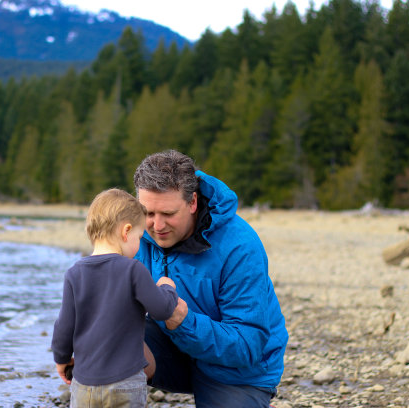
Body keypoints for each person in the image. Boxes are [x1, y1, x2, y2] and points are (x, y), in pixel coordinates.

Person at [133, 150, 289, 408]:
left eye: (168, 214)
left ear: (193, 202)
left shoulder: (240, 246)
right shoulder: (137, 234)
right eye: (148, 213)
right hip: (173, 348)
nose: (157, 226)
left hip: (239, 372)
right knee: (105, 351)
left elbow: (248, 346)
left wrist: (183, 322)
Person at [51, 188, 179, 408]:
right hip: (126, 381)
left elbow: (64, 326)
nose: (139, 245)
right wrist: (167, 289)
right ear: (126, 231)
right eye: (139, 237)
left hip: (85, 384)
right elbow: (161, 310)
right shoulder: (133, 269)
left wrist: (61, 358)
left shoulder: (74, 273)